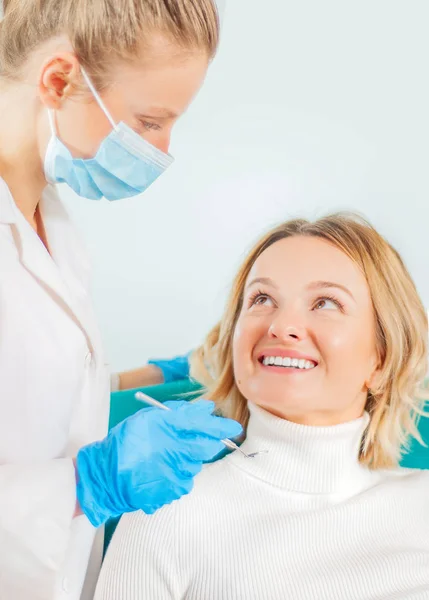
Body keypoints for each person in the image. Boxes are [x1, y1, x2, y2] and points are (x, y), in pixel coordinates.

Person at [0, 1, 242, 599]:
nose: (163, 149)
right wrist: (90, 484)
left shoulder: (52, 224)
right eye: (149, 121)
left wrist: (153, 378)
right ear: (58, 81)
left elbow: (26, 392)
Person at [96, 214, 429, 600]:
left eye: (325, 302)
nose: (281, 325)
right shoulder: (168, 513)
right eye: (262, 299)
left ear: (382, 359)